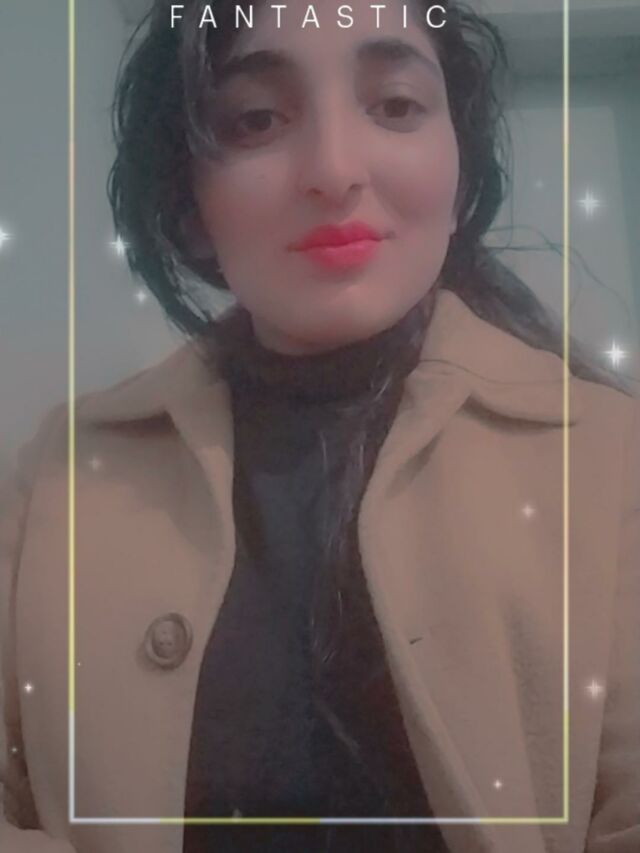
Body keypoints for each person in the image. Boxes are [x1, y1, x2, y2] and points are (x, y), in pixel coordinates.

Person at [1, 0, 638, 852]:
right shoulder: (60, 477)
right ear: (188, 202)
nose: (335, 171)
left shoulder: (610, 458)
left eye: (397, 105)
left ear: (458, 174)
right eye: (258, 119)